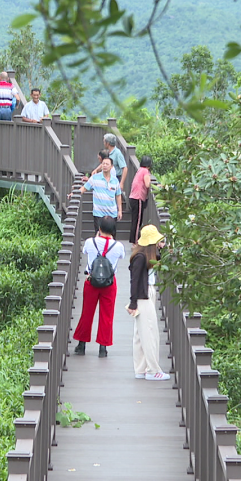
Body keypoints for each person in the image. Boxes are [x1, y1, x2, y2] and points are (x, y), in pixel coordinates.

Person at [73, 216, 125, 358]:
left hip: (91, 281)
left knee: (87, 313)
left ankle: (81, 345)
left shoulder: (90, 242)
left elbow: (85, 252)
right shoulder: (118, 246)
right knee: (106, 315)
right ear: (114, 229)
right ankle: (103, 348)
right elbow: (121, 257)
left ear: (99, 228)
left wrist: (97, 237)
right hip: (109, 284)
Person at [127, 224, 170, 380]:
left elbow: (159, 260)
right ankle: (153, 370)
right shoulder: (140, 258)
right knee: (150, 333)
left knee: (140, 334)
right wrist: (133, 303)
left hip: (145, 294)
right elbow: (134, 281)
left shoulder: (146, 255)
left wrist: (163, 248)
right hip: (143, 296)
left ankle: (141, 369)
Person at [71, 152, 122, 232]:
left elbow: (118, 195)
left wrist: (120, 210)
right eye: (103, 164)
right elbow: (84, 188)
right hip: (99, 213)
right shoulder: (94, 178)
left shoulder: (115, 181)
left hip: (112, 213)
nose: (104, 165)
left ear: (111, 167)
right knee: (98, 236)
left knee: (111, 237)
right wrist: (74, 194)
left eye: (107, 164)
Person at [91, 133, 129, 199]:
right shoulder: (108, 152)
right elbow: (104, 163)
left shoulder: (117, 153)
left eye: (104, 141)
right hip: (106, 177)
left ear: (107, 143)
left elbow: (125, 168)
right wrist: (96, 170)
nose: (103, 143)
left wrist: (121, 183)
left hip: (115, 178)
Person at [128, 155, 153, 243]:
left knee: (135, 220)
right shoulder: (145, 171)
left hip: (133, 197)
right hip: (138, 198)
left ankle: (133, 240)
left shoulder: (139, 170)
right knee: (138, 221)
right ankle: (135, 241)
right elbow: (147, 184)